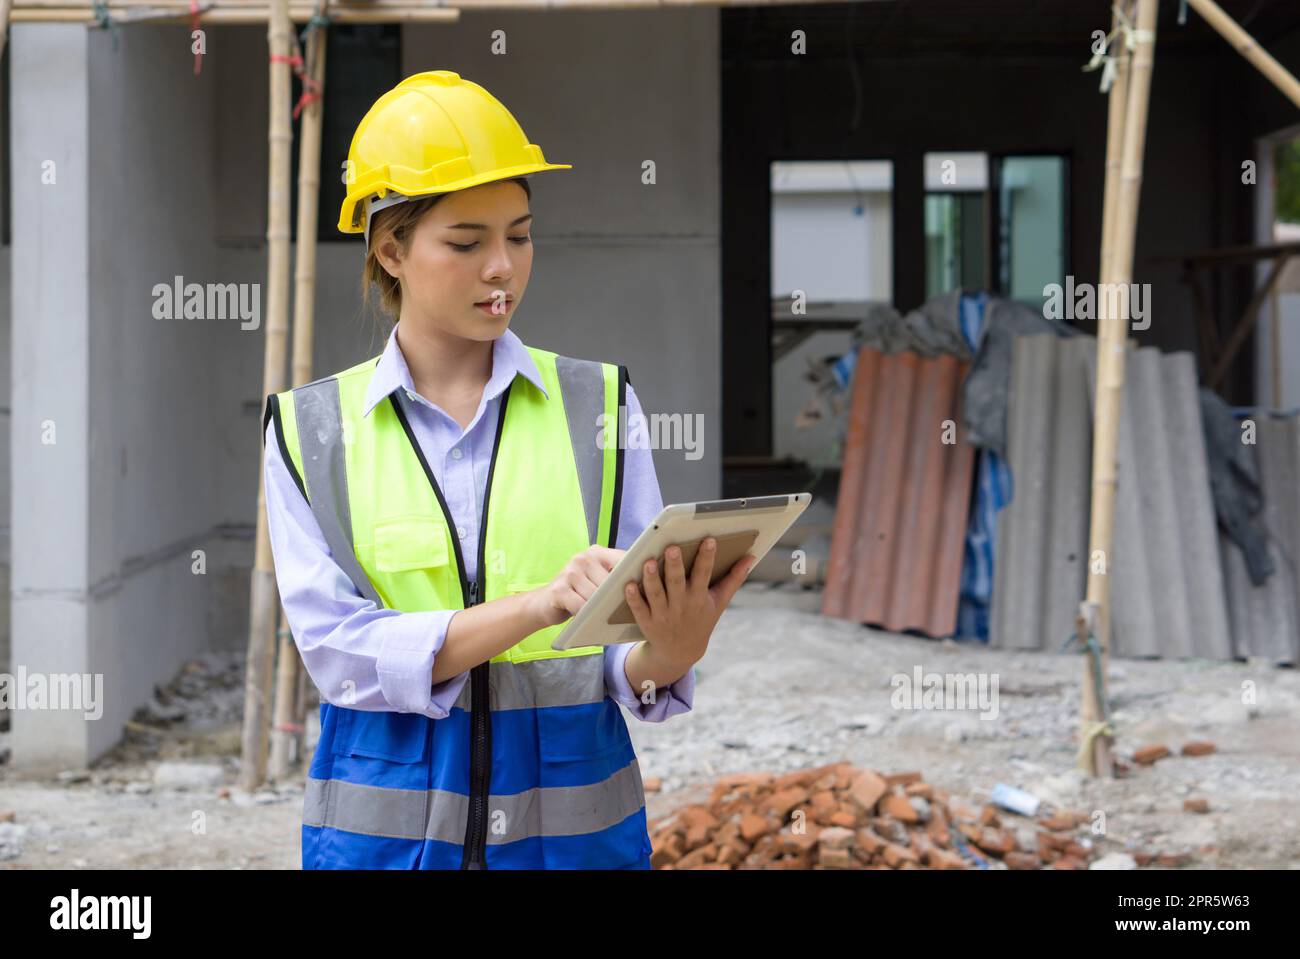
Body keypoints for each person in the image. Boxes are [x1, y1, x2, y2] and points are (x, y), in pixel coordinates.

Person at [261, 70, 757, 869]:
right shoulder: (310, 430)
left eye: (519, 235)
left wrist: (673, 647)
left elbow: (622, 657)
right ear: (390, 249)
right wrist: (536, 606)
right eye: (466, 242)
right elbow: (341, 654)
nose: (502, 267)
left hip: (572, 844)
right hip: (385, 849)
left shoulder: (598, 402)